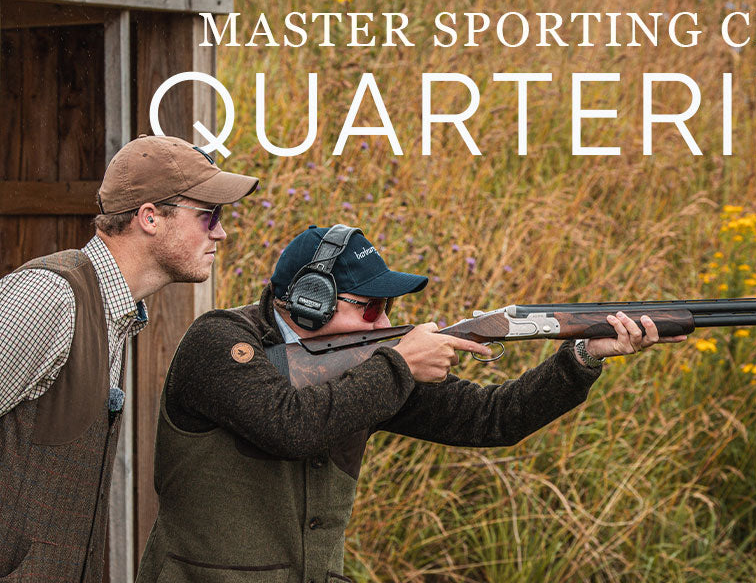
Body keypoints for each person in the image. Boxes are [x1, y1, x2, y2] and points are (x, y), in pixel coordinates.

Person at [136, 224, 685, 582]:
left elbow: (493, 419)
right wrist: (399, 364)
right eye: (370, 307)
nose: (384, 322)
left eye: (389, 307)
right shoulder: (219, 341)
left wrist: (582, 356)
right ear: (309, 301)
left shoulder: (369, 364)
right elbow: (289, 426)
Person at [0, 135, 258, 583]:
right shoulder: (51, 295)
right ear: (150, 217)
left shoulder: (111, 312)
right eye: (209, 215)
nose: (220, 232)